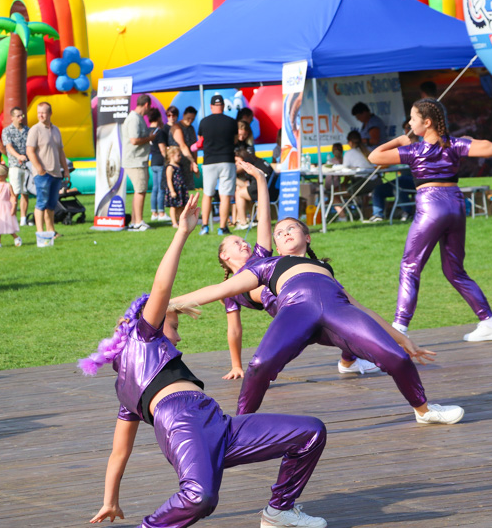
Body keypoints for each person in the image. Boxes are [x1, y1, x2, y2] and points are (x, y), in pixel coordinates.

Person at [82, 194, 329, 528]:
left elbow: (118, 454)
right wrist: (182, 232)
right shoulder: (144, 336)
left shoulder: (128, 385)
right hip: (183, 423)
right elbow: (161, 287)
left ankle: (279, 511)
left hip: (218, 423)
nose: (179, 337)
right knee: (199, 497)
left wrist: (110, 500)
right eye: (174, 326)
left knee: (311, 432)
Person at [172, 217, 464, 424]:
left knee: (396, 357)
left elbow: (360, 307)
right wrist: (170, 303)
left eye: (291, 229)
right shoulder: (266, 264)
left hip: (337, 312)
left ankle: (424, 411)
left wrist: (404, 339)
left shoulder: (322, 267)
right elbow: (219, 290)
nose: (284, 233)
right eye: (279, 232)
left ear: (307, 237)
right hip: (296, 312)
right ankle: (239, 428)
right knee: (260, 365)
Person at [217, 161, 378, 380]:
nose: (243, 243)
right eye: (236, 243)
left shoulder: (261, 257)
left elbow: (264, 216)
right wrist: (236, 365)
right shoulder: (229, 290)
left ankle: (352, 358)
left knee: (344, 320)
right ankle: (355, 357)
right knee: (336, 330)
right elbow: (234, 330)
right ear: (224, 256)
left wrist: (260, 180)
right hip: (291, 311)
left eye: (242, 240)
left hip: (308, 292)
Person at [368, 99, 492, 342]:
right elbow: (491, 148)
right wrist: (460, 141)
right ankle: (489, 322)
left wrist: (399, 140)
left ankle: (399, 328)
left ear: (427, 122)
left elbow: (374, 156)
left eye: (413, 118)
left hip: (431, 206)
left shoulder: (414, 150)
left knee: (410, 267)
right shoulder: (453, 145)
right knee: (455, 270)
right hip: (456, 204)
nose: (409, 123)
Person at [26, 102, 69, 238]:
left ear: (50, 113)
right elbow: (29, 151)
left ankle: (51, 231)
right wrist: (39, 168)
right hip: (43, 173)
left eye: (43, 112)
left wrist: (66, 170)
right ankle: (40, 232)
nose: (40, 115)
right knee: (41, 203)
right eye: (39, 112)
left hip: (56, 173)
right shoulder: (35, 129)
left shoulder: (56, 130)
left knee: (51, 204)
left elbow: (61, 151)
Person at [198, 94, 238, 235]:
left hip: (209, 161)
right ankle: (222, 227)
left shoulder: (204, 122)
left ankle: (204, 226)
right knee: (225, 195)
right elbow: (235, 140)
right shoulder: (231, 122)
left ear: (211, 106)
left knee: (207, 194)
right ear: (223, 106)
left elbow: (200, 141)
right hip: (227, 160)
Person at [121, 95, 157, 231]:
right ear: (146, 105)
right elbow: (134, 140)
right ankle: (138, 222)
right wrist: (150, 138)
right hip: (135, 160)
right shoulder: (134, 119)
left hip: (137, 160)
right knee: (140, 191)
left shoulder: (137, 118)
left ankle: (135, 221)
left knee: (139, 191)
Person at [233, 147, 276, 229]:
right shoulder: (258, 161)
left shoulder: (250, 166)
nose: (236, 165)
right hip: (273, 190)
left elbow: (250, 186)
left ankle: (243, 222)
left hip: (264, 190)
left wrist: (231, 175)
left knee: (239, 193)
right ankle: (253, 220)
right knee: (243, 191)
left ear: (242, 159)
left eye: (236, 161)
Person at [2, 107, 31, 227]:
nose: (21, 118)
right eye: (18, 116)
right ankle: (12, 218)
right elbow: (8, 147)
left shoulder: (28, 130)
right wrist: (18, 156)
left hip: (27, 165)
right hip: (14, 165)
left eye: (22, 116)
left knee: (25, 192)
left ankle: (23, 218)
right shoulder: (7, 131)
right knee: (14, 192)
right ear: (12, 117)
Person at [169, 106, 200, 191]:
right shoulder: (177, 127)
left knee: (188, 191)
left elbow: (194, 147)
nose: (190, 121)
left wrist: (195, 163)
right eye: (188, 118)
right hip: (177, 164)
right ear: (183, 115)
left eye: (192, 119)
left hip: (188, 164)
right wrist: (192, 161)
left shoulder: (191, 128)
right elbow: (182, 146)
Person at [147, 107, 169, 223]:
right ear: (159, 117)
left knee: (154, 188)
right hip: (160, 162)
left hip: (153, 161)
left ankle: (154, 212)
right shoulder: (159, 132)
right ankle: (161, 212)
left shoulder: (147, 131)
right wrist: (168, 159)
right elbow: (162, 149)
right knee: (161, 188)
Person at [164, 146, 188, 228]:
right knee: (173, 206)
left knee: (181, 205)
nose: (180, 157)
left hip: (181, 189)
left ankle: (181, 220)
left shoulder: (179, 166)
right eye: (178, 155)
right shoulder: (170, 167)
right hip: (174, 189)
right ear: (171, 156)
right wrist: (172, 191)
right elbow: (169, 180)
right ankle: (174, 222)